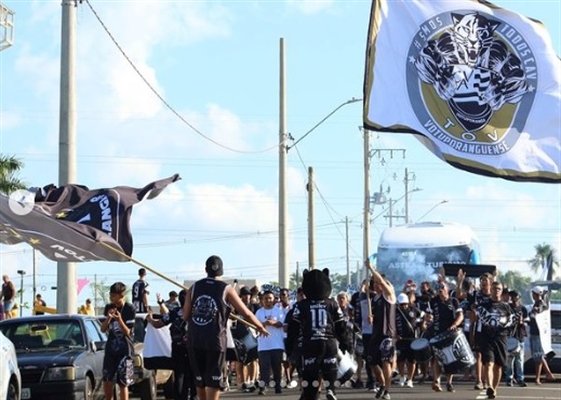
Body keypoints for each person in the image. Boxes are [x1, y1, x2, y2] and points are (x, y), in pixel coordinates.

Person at [182, 255, 268, 400]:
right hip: (215, 340)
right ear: (221, 271)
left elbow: (185, 315)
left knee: (200, 381)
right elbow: (246, 312)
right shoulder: (226, 289)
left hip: (195, 338)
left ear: (205, 269)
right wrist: (260, 326)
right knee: (213, 381)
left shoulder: (194, 287)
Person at [286, 268, 350, 400]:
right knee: (330, 369)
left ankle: (311, 394)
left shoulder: (301, 305)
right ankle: (331, 389)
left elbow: (293, 328)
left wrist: (290, 347)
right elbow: (341, 326)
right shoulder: (332, 303)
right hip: (329, 342)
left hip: (310, 344)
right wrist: (345, 343)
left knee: (310, 375)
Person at [147, 289, 197, 400]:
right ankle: (194, 396)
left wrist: (150, 320)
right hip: (193, 348)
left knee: (180, 375)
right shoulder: (197, 312)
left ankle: (180, 397)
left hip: (177, 347)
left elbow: (158, 324)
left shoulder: (174, 312)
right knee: (194, 374)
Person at [475, 281, 516, 399]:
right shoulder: (483, 305)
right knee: (488, 364)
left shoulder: (506, 306)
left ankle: (494, 388)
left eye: (498, 289)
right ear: (490, 290)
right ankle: (489, 387)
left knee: (498, 366)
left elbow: (512, 322)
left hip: (501, 338)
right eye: (494, 289)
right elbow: (475, 318)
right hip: (486, 338)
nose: (496, 290)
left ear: (501, 291)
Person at [425, 281, 464, 393]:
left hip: (450, 333)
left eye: (442, 287)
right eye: (438, 287)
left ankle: (449, 382)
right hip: (437, 333)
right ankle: (436, 381)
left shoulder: (453, 301)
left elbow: (460, 315)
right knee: (437, 357)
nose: (440, 289)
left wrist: (455, 324)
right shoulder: (433, 301)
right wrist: (427, 319)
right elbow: (428, 315)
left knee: (450, 358)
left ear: (447, 288)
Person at [100, 282, 136, 400]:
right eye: (111, 296)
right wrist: (108, 318)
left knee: (123, 382)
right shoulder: (109, 307)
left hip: (125, 351)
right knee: (107, 379)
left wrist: (120, 319)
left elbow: (128, 332)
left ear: (122, 295)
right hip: (111, 349)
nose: (112, 298)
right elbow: (103, 329)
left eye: (115, 296)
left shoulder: (129, 309)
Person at [366, 264, 396, 400]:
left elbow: (383, 283)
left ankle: (387, 390)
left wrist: (371, 269)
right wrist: (372, 319)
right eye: (374, 284)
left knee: (386, 362)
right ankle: (383, 384)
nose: (376, 285)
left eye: (377, 283)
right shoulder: (375, 299)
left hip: (387, 334)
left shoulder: (389, 296)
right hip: (376, 334)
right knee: (372, 362)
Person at [255, 290, 286, 395]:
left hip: (276, 344)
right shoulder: (259, 312)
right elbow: (255, 326)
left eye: (270, 298)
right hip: (263, 345)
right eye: (266, 298)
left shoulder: (278, 311)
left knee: (277, 366)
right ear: (262, 300)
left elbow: (282, 324)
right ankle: (263, 387)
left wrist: (272, 322)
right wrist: (262, 325)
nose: (268, 300)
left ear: (274, 300)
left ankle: (278, 386)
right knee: (264, 366)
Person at [528, 286, 556, 385]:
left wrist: (536, 310)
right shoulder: (537, 303)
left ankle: (538, 378)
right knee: (538, 356)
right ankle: (548, 374)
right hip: (534, 333)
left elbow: (539, 310)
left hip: (538, 335)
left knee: (538, 357)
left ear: (535, 294)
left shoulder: (541, 304)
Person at [395, 293, 423, 388]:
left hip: (412, 339)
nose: (404, 306)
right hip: (400, 339)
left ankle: (410, 379)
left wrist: (422, 324)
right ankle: (402, 376)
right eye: (402, 304)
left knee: (412, 361)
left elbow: (423, 316)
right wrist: (395, 334)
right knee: (400, 360)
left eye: (405, 304)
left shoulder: (413, 310)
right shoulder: (395, 312)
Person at [505, 290, 528, 387]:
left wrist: (522, 322)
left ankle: (520, 379)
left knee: (519, 360)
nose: (513, 299)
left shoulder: (523, 309)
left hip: (519, 337)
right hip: (509, 336)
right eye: (512, 296)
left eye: (515, 296)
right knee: (509, 360)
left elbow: (526, 323)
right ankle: (509, 379)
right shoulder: (507, 308)